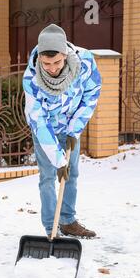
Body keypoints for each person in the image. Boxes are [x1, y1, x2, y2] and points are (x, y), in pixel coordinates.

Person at [23, 24, 102, 238]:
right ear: (39, 57)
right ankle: (51, 226)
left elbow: (91, 94)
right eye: (46, 63)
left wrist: (74, 130)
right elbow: (38, 120)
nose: (52, 68)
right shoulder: (31, 79)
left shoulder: (84, 62)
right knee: (48, 176)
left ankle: (67, 220)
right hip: (45, 131)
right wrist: (58, 160)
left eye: (57, 62)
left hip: (70, 127)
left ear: (65, 54)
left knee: (71, 174)